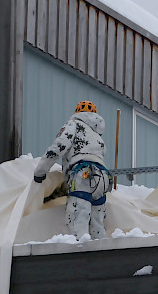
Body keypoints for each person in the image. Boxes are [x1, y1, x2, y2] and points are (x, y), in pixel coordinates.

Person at [33, 101, 111, 240]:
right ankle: (101, 253)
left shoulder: (74, 125)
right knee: (98, 223)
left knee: (77, 218)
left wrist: (40, 172)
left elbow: (59, 147)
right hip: (103, 177)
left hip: (83, 174)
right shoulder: (97, 136)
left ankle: (78, 250)